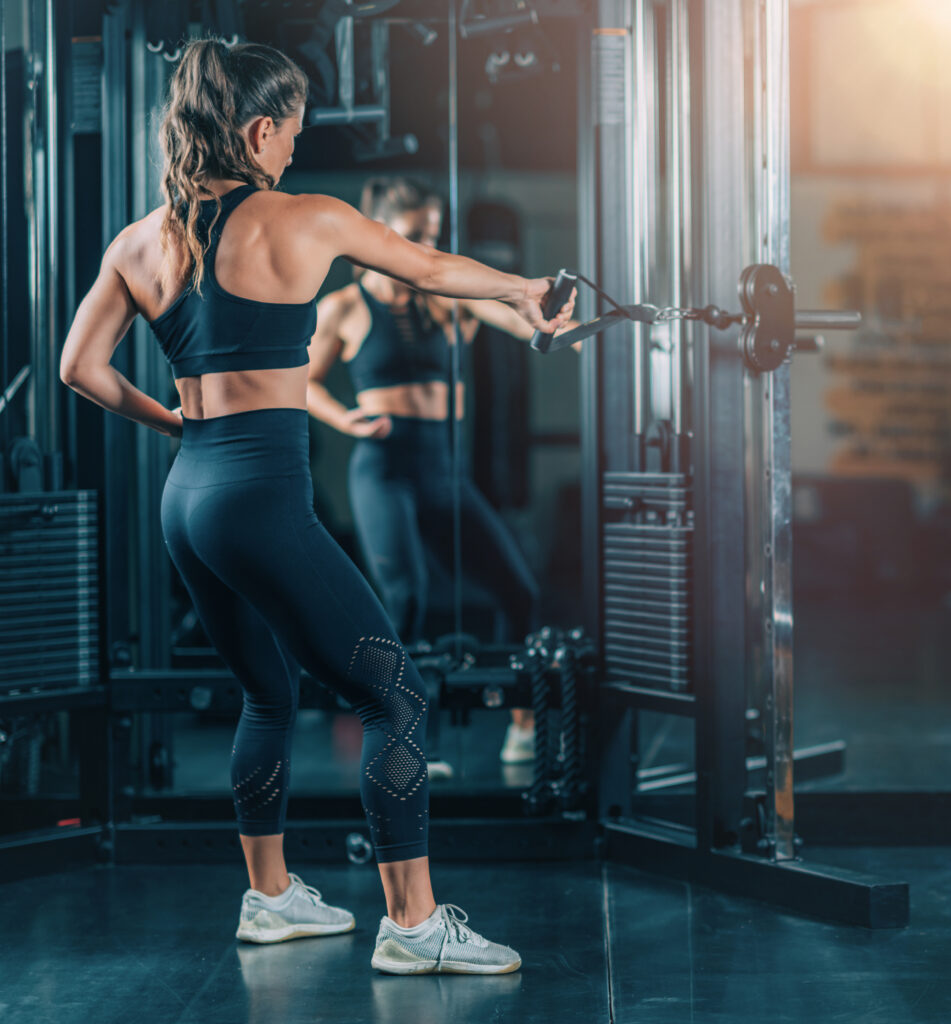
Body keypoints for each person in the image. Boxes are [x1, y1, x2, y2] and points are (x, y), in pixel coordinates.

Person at [59, 38, 572, 975]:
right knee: (397, 696)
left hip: (190, 500)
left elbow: (78, 368)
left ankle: (268, 899)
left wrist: (170, 422)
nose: (293, 151)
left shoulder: (140, 238)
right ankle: (413, 926)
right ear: (259, 129)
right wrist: (526, 289)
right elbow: (429, 267)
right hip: (259, 500)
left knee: (268, 689)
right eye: (290, 133)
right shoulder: (304, 221)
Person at [307, 178, 571, 766]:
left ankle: (522, 721)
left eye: (433, 235)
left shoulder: (446, 299)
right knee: (405, 600)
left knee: (520, 592)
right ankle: (400, 742)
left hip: (443, 469)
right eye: (415, 236)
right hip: (383, 468)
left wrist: (572, 334)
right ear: (379, 236)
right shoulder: (344, 307)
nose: (427, 248)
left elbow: (520, 323)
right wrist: (345, 422)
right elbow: (305, 383)